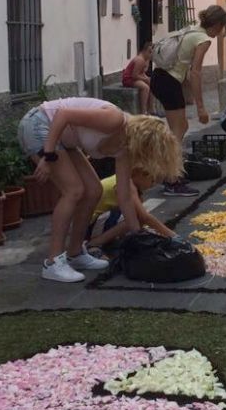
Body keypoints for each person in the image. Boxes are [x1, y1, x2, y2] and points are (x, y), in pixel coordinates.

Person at [18, 98, 181, 282]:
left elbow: (124, 195)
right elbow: (63, 115)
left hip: (65, 139)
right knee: (74, 190)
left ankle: (75, 252)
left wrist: (139, 236)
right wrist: (48, 156)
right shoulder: (114, 119)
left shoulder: (125, 149)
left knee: (94, 189)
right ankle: (53, 263)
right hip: (40, 123)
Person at [149, 5, 226, 197]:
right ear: (217, 24)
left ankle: (168, 173)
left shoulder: (192, 30)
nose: (222, 31)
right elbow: (195, 72)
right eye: (223, 26)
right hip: (168, 81)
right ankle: (171, 180)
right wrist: (201, 107)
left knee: (180, 127)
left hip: (160, 78)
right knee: (177, 131)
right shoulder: (202, 40)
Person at [86, 167, 176, 251]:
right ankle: (94, 243)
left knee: (135, 215)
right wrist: (172, 236)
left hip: (94, 223)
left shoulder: (128, 181)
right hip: (88, 226)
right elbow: (144, 217)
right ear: (140, 174)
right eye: (152, 181)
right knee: (134, 216)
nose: (152, 186)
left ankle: (111, 240)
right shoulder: (125, 184)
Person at [122, 42, 153, 115]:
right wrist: (145, 79)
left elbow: (143, 72)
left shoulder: (143, 60)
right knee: (145, 88)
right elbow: (134, 75)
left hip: (134, 78)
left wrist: (148, 79)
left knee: (152, 84)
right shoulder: (140, 60)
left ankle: (151, 109)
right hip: (128, 79)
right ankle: (143, 111)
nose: (150, 55)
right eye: (149, 52)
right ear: (144, 51)